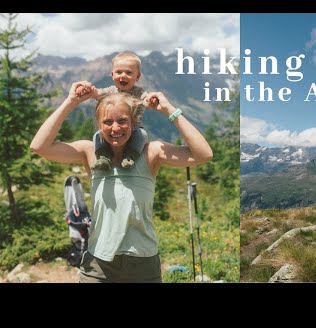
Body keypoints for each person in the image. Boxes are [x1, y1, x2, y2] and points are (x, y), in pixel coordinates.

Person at [30, 81, 213, 283]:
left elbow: (203, 154)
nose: (115, 128)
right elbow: (40, 146)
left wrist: (170, 110)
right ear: (99, 125)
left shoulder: (151, 152)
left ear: (133, 124)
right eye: (107, 122)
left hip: (142, 261)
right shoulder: (89, 152)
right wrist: (71, 101)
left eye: (122, 121)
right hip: (98, 262)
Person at [75, 52, 149, 170]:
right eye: (119, 72)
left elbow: (147, 99)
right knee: (98, 135)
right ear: (112, 74)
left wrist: (151, 100)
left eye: (129, 73)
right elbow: (97, 93)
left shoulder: (139, 93)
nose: (123, 76)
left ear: (138, 76)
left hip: (134, 129)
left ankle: (130, 156)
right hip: (112, 129)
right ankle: (103, 158)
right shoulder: (110, 91)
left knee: (142, 135)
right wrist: (86, 89)